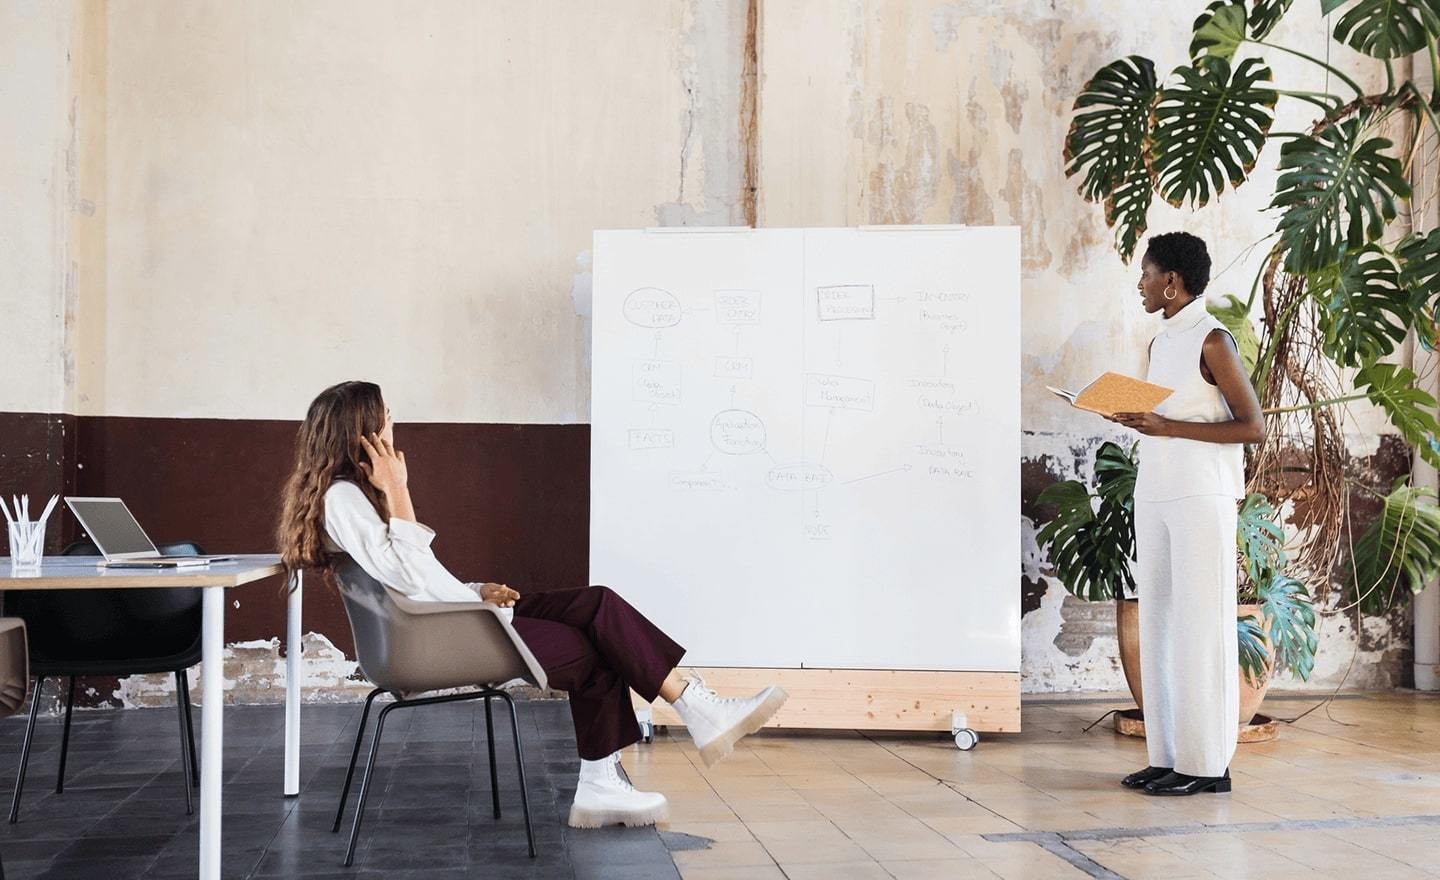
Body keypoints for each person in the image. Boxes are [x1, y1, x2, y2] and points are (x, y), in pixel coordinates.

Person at [276, 381, 788, 827]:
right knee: (598, 647)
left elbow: (413, 578)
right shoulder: (344, 499)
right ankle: (628, 761)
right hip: (447, 636)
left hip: (460, 613)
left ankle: (685, 713)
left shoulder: (352, 495)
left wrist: (474, 589)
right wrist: (400, 490)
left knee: (598, 605)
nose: (393, 422)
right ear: (364, 432)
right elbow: (407, 574)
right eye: (386, 415)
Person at [1110, 232, 1264, 797]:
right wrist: (1137, 417)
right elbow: (1166, 414)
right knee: (1163, 624)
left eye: (1147, 274)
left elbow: (1252, 426)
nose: (1141, 284)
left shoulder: (1211, 339)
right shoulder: (1159, 343)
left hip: (1203, 496)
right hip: (1157, 490)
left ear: (1172, 282)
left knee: (1201, 627)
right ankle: (1170, 755)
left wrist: (1168, 426)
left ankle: (1207, 764)